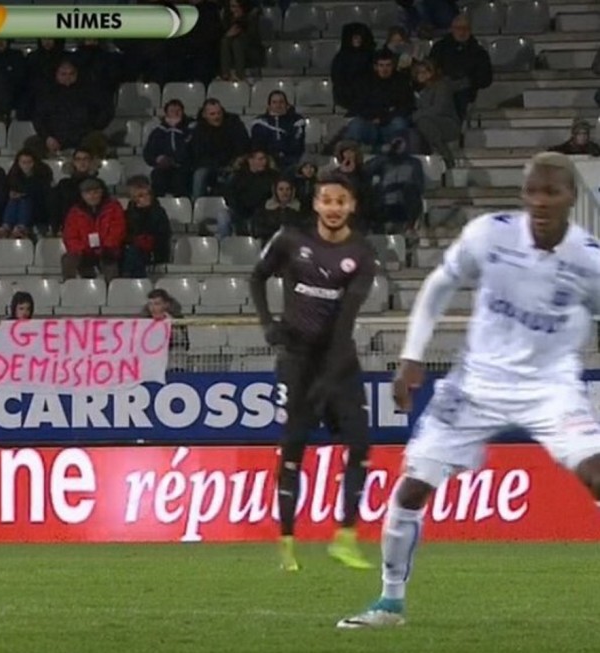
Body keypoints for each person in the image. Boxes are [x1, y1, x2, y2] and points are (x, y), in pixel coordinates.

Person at [337, 152, 600, 628]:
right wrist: (412, 356)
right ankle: (389, 603)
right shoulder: (490, 235)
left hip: (550, 387)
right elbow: (440, 284)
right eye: (533, 191)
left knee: (596, 473)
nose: (541, 201)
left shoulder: (589, 260)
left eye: (552, 192)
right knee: (412, 489)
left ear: (570, 197)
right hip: (476, 384)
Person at [249, 170, 377, 572]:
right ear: (316, 204)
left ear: (352, 206)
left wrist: (328, 378)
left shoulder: (361, 254)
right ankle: (287, 543)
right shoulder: (290, 240)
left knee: (360, 445)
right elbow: (256, 277)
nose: (334, 208)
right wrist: (268, 323)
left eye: (341, 201)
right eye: (327, 200)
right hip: (297, 359)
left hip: (338, 359)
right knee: (293, 446)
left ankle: (346, 538)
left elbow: (346, 321)